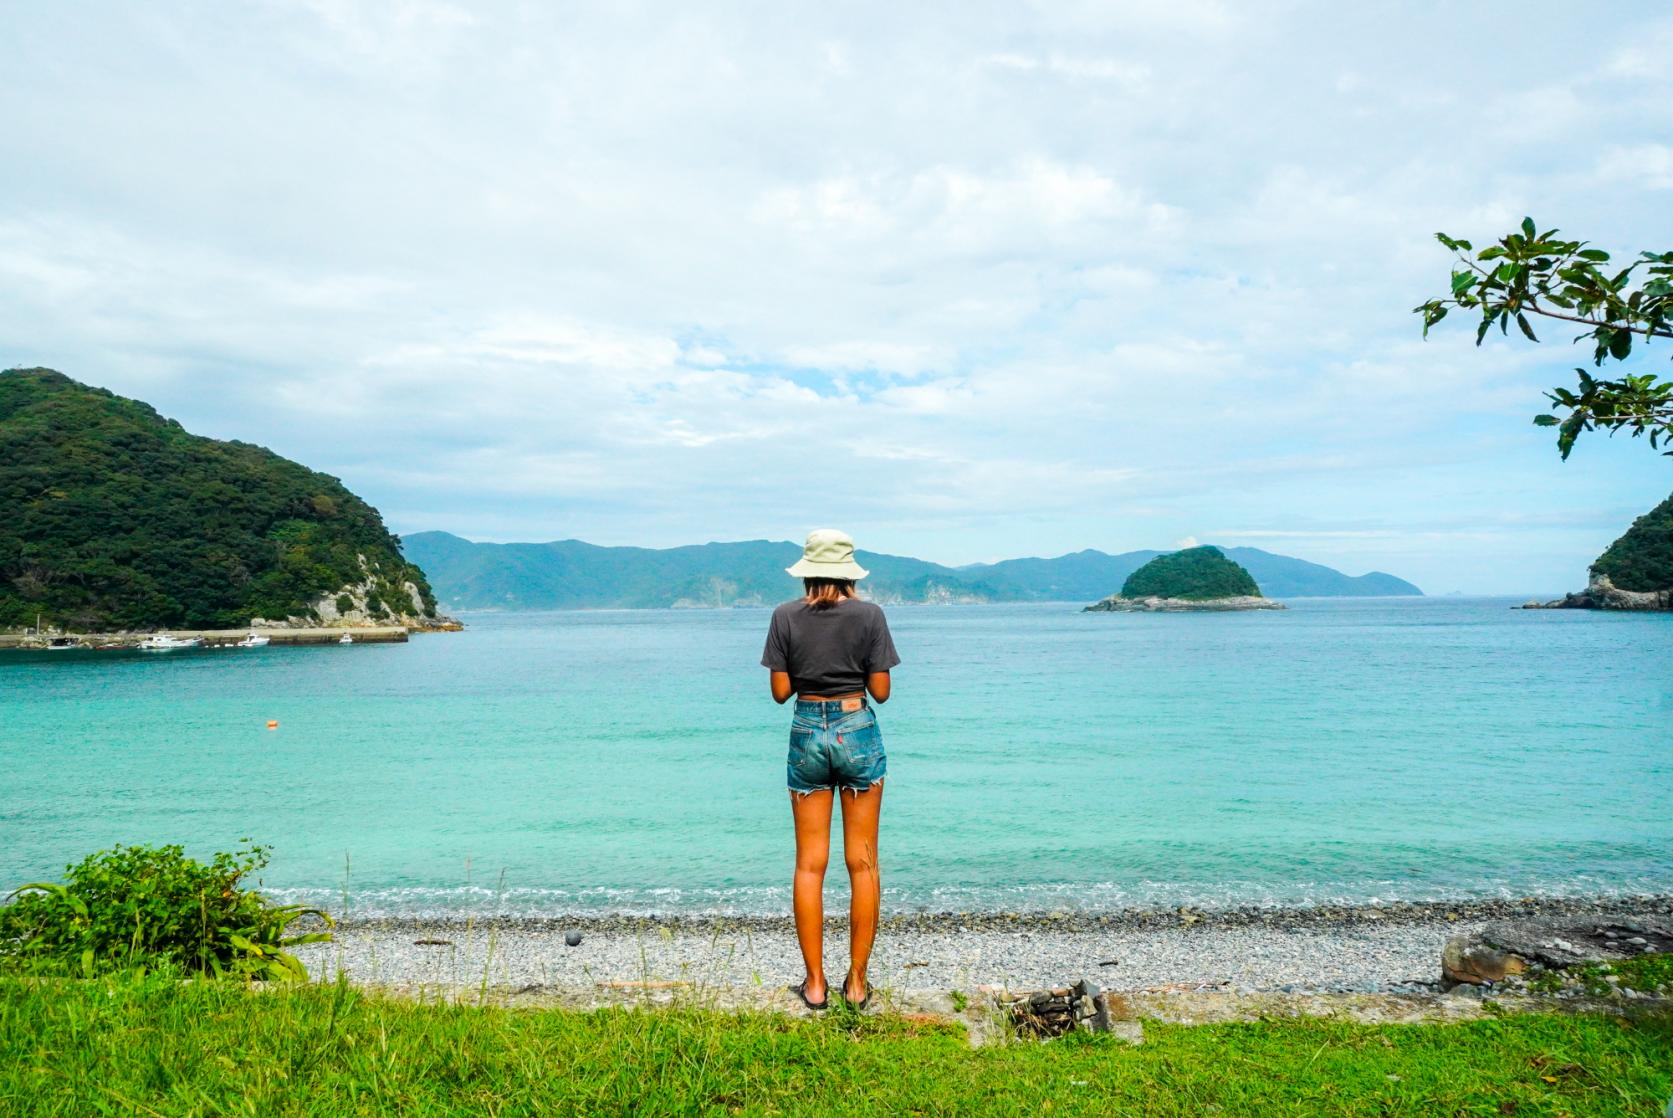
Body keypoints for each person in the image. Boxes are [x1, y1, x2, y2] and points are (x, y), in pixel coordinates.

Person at [761, 528, 900, 1010]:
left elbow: (781, 693)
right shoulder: (871, 616)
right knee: (862, 863)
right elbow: (881, 691)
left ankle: (815, 983)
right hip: (856, 725)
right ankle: (857, 983)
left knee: (808, 864)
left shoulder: (784, 616)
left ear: (807, 572)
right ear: (848, 572)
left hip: (806, 730)